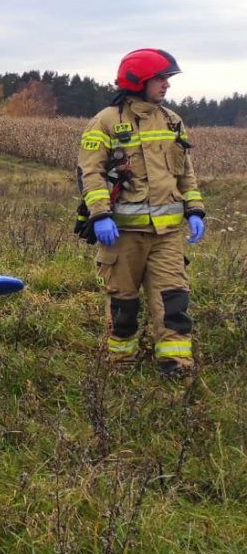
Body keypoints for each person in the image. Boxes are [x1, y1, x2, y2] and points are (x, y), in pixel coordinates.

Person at [77, 48, 206, 376]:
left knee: (174, 302)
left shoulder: (172, 121)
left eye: (167, 79)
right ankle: (121, 365)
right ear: (138, 81)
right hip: (122, 236)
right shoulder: (105, 122)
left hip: (167, 236)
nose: (166, 85)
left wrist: (195, 209)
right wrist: (100, 215)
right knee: (123, 305)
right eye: (160, 78)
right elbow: (91, 173)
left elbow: (185, 172)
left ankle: (177, 367)